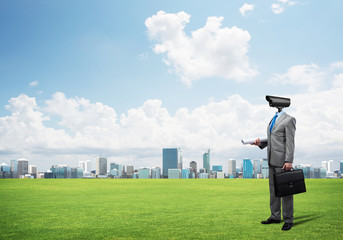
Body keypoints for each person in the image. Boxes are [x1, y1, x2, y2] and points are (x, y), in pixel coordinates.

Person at [251, 109, 296, 231]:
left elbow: (290, 142)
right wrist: (260, 143)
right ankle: (275, 216)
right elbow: (273, 139)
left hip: (283, 161)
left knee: (285, 192)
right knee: (273, 190)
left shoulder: (289, 120)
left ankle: (288, 220)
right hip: (271, 159)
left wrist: (289, 160)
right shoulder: (273, 119)